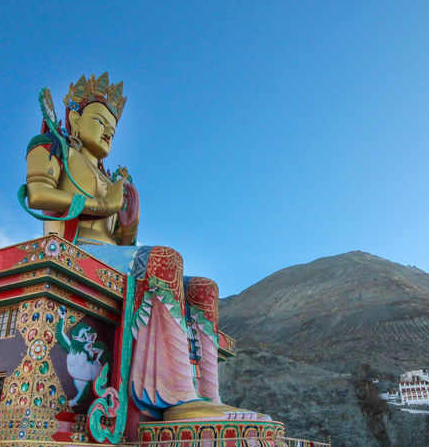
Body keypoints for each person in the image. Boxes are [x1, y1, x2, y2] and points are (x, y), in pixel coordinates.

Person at [22, 74, 256, 423]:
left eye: (112, 131)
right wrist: (103, 207)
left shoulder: (109, 176)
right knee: (164, 260)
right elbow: (37, 195)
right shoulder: (53, 147)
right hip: (75, 251)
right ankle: (173, 395)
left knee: (205, 288)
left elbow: (122, 247)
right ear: (73, 118)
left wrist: (129, 223)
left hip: (108, 255)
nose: (106, 133)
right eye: (99, 121)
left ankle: (207, 396)